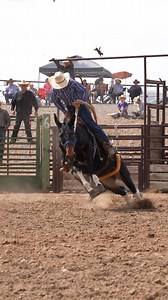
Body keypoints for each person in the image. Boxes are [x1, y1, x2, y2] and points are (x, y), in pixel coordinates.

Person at [49, 71, 114, 156]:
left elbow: (84, 92)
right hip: (69, 108)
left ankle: (106, 143)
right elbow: (55, 101)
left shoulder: (72, 83)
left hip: (81, 106)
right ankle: (65, 153)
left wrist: (80, 101)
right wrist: (64, 111)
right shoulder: (54, 90)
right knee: (66, 129)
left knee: (90, 123)